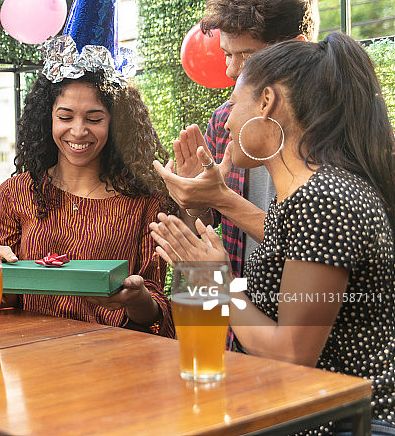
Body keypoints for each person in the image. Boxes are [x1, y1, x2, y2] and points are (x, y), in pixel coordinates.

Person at [150, 33, 395, 432]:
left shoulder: (325, 198)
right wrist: (213, 202)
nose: (226, 119)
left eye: (234, 101)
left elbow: (293, 353)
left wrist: (219, 284)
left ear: (266, 102)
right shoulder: (306, 193)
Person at [0, 35, 173, 337]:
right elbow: (8, 302)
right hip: (33, 359)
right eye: (65, 116)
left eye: (94, 118)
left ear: (116, 123)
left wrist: (138, 299)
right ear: (47, 119)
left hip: (114, 362)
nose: (78, 131)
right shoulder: (16, 193)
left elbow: (154, 312)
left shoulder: (146, 201)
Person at [156, 0, 319, 278]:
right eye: (228, 54)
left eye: (248, 55)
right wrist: (195, 200)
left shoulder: (336, 127)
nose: (231, 70)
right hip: (241, 315)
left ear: (296, 48)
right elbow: (205, 225)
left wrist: (221, 198)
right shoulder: (224, 122)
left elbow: (314, 243)